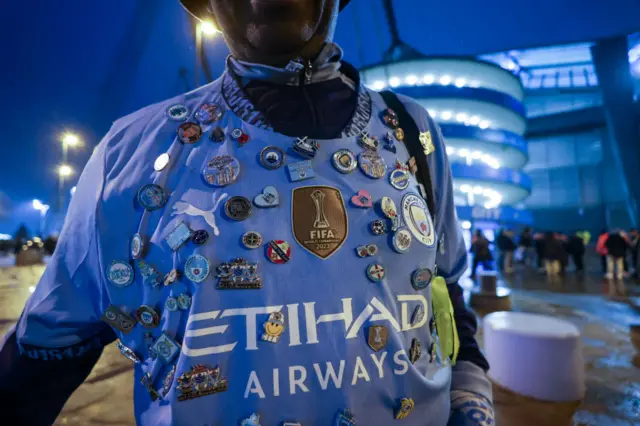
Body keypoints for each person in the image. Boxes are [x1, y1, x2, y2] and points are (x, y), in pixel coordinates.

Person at [0, 1, 493, 425]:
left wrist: (471, 398)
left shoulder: (411, 131)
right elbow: (38, 362)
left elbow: (444, 293)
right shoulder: (129, 154)